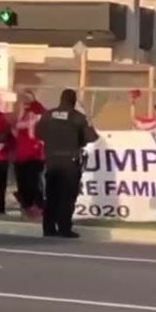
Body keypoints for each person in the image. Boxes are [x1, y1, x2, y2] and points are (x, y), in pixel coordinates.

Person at [35, 89, 98, 239]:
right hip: (70, 161)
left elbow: (38, 134)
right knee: (67, 196)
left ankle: (48, 228)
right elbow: (92, 137)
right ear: (74, 100)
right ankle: (64, 228)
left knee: (51, 196)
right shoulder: (78, 117)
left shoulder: (48, 115)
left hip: (51, 160)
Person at [13, 89, 47, 218]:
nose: (24, 100)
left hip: (34, 154)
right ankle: (27, 206)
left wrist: (29, 123)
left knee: (33, 181)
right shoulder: (23, 111)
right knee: (23, 181)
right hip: (21, 153)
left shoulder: (37, 109)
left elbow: (31, 131)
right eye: (23, 97)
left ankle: (38, 206)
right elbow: (17, 126)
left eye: (27, 97)